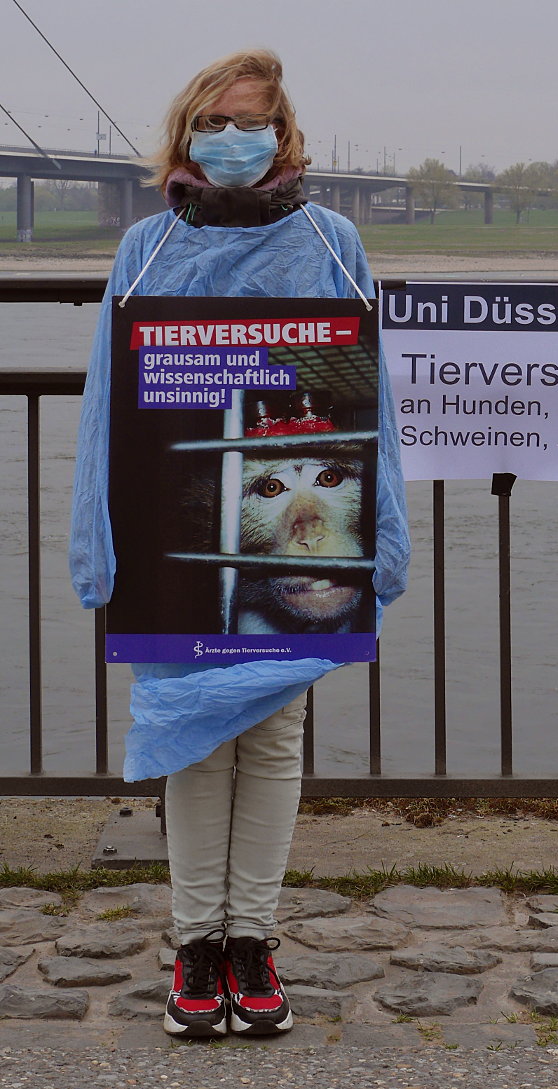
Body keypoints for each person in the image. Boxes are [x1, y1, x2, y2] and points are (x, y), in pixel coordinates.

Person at [69, 49, 409, 1038]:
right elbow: (104, 405)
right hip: (172, 545)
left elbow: (366, 397)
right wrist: (96, 541)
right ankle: (194, 944)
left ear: (283, 134)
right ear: (186, 132)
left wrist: (382, 534)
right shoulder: (144, 249)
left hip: (291, 542)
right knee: (187, 735)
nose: (231, 136)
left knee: (271, 740)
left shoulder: (333, 240)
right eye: (214, 120)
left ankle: (251, 943)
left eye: (249, 119)